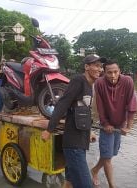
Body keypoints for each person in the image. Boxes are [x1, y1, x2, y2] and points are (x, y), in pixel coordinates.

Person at [41, 54, 104, 188]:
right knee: (86, 184)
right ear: (87, 67)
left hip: (80, 141)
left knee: (69, 182)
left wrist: (89, 132)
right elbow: (62, 104)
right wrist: (49, 129)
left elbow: (83, 112)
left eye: (101, 66)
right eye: (96, 66)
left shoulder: (89, 85)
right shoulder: (78, 81)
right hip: (73, 144)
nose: (100, 69)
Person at [91, 60, 137, 188]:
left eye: (115, 72)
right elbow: (99, 106)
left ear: (120, 71)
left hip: (120, 123)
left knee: (110, 154)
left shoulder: (128, 81)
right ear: (104, 73)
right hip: (107, 125)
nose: (112, 75)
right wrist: (105, 123)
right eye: (109, 72)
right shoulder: (99, 83)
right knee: (107, 157)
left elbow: (131, 104)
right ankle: (112, 186)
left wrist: (129, 126)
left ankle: (94, 170)